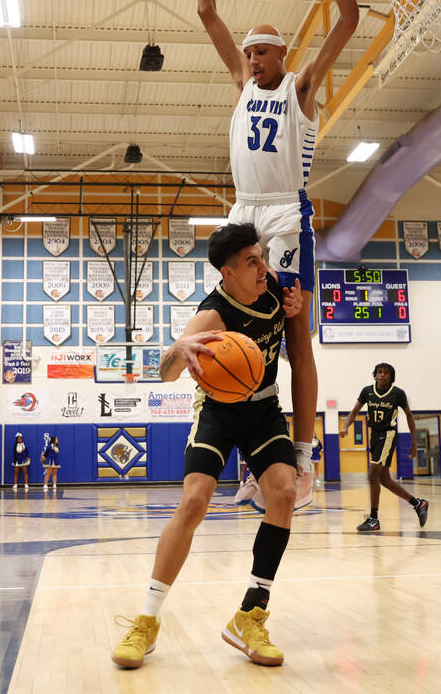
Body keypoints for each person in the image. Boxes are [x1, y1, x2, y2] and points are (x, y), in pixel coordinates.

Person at [196, 0, 358, 513]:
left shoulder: (302, 87)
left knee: (293, 333)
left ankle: (304, 456)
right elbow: (207, 11)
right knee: (241, 338)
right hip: (243, 210)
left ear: (280, 54)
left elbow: (347, 18)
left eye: (259, 51)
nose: (250, 57)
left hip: (286, 213)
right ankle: (254, 464)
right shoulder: (240, 86)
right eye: (247, 52)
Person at [112, 223, 302, 669]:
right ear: (227, 272)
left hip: (264, 409)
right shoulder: (211, 316)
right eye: (252, 262)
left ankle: (251, 614)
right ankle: (146, 620)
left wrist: (298, 310)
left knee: (285, 492)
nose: (262, 268)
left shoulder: (276, 290)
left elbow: (299, 341)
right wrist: (179, 350)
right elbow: (163, 373)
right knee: (195, 501)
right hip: (218, 410)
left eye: (262, 258)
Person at [339, 363, 428, 531]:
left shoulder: (398, 393)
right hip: (374, 435)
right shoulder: (367, 391)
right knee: (384, 479)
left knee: (373, 474)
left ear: (391, 376)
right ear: (375, 374)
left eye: (386, 373)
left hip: (388, 435)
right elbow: (354, 411)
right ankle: (418, 504)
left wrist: (414, 442)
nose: (382, 375)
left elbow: (409, 416)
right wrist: (345, 427)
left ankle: (374, 518)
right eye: (379, 372)